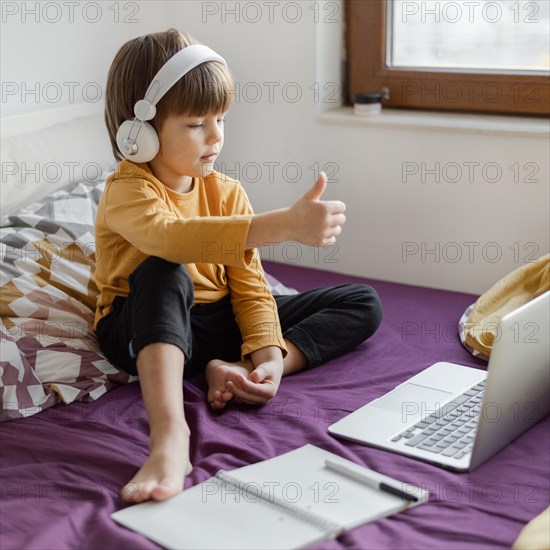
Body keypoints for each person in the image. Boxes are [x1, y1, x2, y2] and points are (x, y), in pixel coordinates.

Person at [95, 28, 383, 504]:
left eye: (221, 119)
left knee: (361, 301)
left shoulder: (226, 192)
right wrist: (281, 225)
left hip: (214, 326)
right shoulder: (127, 190)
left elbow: (251, 287)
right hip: (141, 325)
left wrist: (269, 357)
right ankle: (170, 440)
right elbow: (169, 237)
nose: (215, 136)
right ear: (139, 131)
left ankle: (234, 370)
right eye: (195, 123)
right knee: (163, 268)